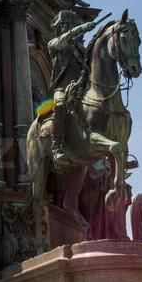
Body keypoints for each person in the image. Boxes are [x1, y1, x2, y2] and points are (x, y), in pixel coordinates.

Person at [47, 10, 97, 171]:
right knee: (60, 105)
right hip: (62, 87)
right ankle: (57, 148)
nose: (66, 27)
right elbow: (63, 40)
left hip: (80, 88)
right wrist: (80, 29)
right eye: (64, 25)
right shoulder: (54, 44)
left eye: (70, 25)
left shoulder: (81, 49)